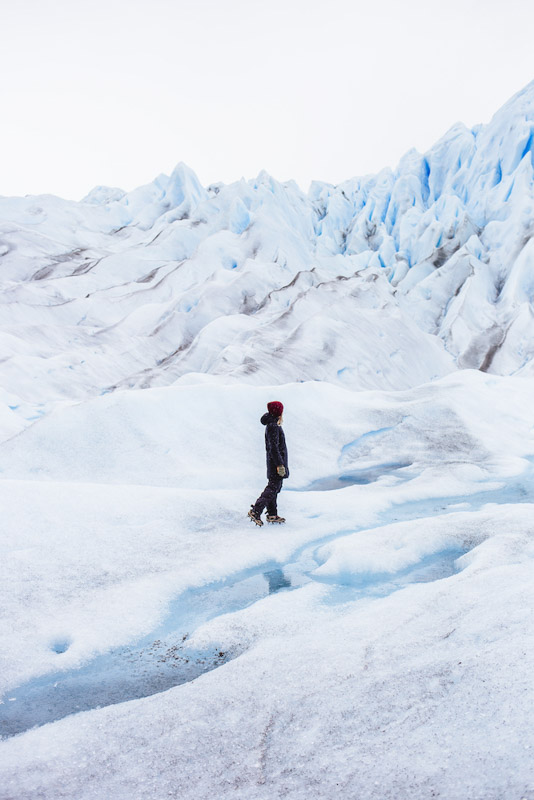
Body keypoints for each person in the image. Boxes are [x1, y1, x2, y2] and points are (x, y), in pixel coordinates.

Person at [248, 401, 289, 526]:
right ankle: (256, 510)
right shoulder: (273, 426)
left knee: (274, 488)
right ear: (278, 412)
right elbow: (273, 448)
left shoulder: (273, 424)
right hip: (275, 464)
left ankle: (272, 514)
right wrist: (280, 465)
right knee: (273, 488)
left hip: (274, 463)